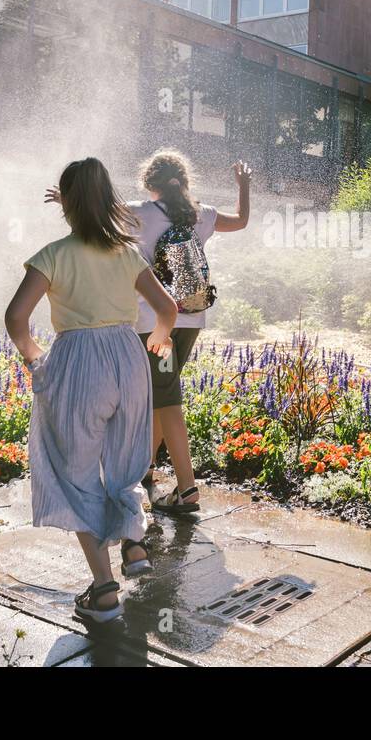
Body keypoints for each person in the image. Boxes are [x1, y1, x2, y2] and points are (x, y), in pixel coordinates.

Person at [7, 157, 177, 625]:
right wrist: (159, 338)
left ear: (69, 206)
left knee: (75, 473)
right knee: (124, 464)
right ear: (108, 200)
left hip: (77, 365)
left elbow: (16, 318)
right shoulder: (126, 253)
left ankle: (104, 592)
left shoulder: (54, 255)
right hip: (128, 358)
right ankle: (135, 544)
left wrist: (36, 359)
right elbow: (167, 307)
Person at [127, 151, 250, 514]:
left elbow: (93, 216)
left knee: (166, 400)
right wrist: (243, 186)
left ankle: (187, 489)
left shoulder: (140, 211)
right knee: (160, 396)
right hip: (191, 320)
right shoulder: (203, 215)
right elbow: (241, 220)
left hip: (154, 324)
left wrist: (68, 200)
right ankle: (144, 468)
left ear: (150, 183)